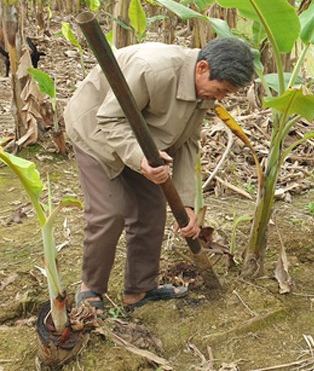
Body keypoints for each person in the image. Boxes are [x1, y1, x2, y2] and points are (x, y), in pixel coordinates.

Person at [64, 38, 254, 315]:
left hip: (148, 142)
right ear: (202, 67)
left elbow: (189, 142)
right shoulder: (152, 69)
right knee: (110, 212)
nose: (221, 98)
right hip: (97, 132)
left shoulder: (205, 92)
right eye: (221, 90)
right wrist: (137, 158)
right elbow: (109, 119)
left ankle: (139, 290)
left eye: (228, 93)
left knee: (151, 212)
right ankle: (91, 289)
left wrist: (187, 204)